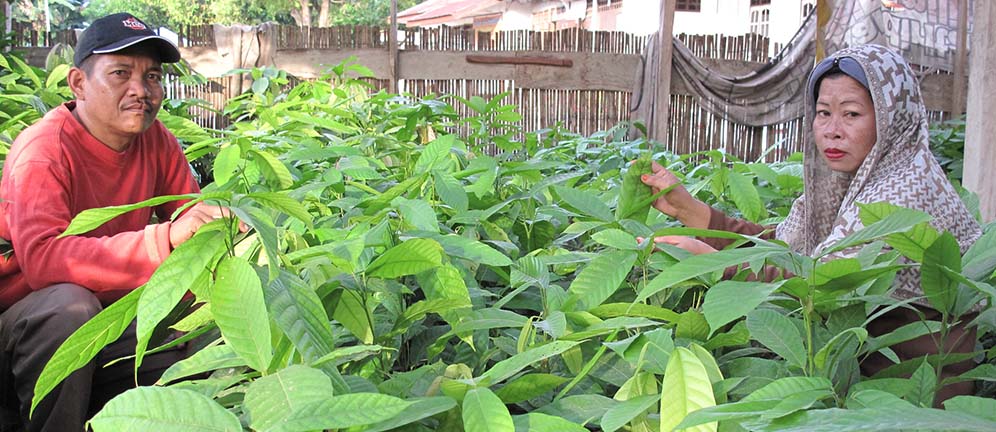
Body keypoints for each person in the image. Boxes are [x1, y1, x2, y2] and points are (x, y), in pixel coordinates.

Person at [639, 44, 982, 404]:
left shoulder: (904, 190)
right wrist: (695, 213)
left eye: (851, 114)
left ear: (890, 117)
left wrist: (713, 266)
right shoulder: (848, 179)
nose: (832, 131)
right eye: (823, 113)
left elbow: (820, 286)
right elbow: (790, 254)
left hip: (912, 404)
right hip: (853, 383)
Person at [0, 13, 238, 431]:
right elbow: (42, 260)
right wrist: (163, 240)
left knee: (211, 322)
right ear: (78, 84)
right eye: (120, 73)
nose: (140, 90)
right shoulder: (43, 149)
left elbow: (187, 215)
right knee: (68, 309)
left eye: (151, 76)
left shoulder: (155, 139)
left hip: (108, 316)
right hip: (24, 330)